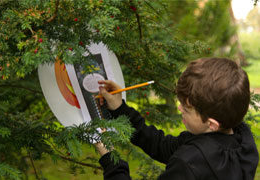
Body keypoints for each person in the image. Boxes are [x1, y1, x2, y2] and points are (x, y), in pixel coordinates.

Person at [94, 57, 259, 180]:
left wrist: (111, 160)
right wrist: (120, 109)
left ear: (211, 124)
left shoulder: (187, 164)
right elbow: (162, 146)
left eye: (186, 109)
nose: (180, 108)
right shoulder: (242, 141)